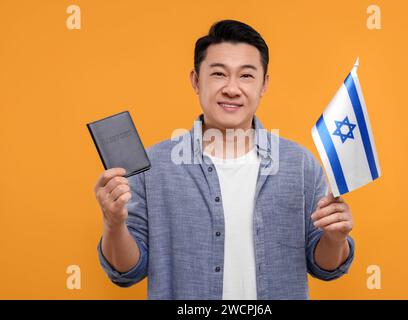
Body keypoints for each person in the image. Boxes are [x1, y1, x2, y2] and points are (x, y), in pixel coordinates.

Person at [94, 19, 355, 300]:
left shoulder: (300, 165)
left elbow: (325, 268)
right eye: (219, 74)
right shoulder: (152, 167)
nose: (232, 88)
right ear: (195, 80)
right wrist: (114, 224)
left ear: (264, 84)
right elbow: (127, 271)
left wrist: (335, 238)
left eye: (246, 76)